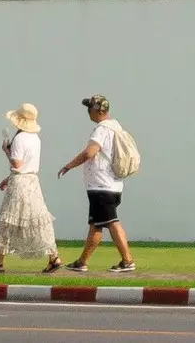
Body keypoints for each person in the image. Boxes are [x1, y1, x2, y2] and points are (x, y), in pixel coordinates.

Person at [56, 92, 135, 273]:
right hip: (113, 184)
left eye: (89, 108)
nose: (88, 112)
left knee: (112, 222)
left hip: (102, 185)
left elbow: (89, 152)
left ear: (98, 111)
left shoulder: (102, 129)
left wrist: (68, 166)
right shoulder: (116, 126)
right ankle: (82, 261)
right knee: (97, 224)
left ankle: (127, 261)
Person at [0, 103, 62, 275]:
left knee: (8, 222)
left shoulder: (19, 139)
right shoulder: (35, 138)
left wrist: (7, 151)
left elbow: (18, 164)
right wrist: (8, 178)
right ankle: (53, 256)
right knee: (37, 220)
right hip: (32, 182)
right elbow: (27, 166)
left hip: (20, 185)